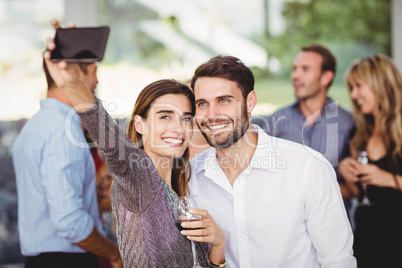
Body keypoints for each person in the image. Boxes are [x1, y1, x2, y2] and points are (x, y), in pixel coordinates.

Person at [43, 22, 226, 268]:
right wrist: (73, 84)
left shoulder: (180, 187)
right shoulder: (140, 178)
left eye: (186, 118)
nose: (178, 127)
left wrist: (218, 246)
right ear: (140, 124)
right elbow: (111, 142)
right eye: (165, 116)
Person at [188, 55, 357, 267]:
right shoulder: (190, 177)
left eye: (224, 100)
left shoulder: (307, 167)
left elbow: (338, 261)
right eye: (202, 103)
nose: (211, 115)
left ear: (250, 102)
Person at [12, 56, 123, 267]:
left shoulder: (35, 125)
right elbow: (70, 222)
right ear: (75, 74)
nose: (96, 81)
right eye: (92, 71)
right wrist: (114, 254)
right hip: (66, 260)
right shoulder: (63, 129)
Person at [252, 44, 354, 190]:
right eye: (294, 69)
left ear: (326, 77)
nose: (295, 75)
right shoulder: (276, 120)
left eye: (305, 69)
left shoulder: (347, 123)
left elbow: (356, 189)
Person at [338, 54, 402, 268]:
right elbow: (357, 192)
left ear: (380, 82)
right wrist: (345, 170)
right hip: (366, 238)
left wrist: (387, 178)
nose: (354, 95)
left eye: (358, 86)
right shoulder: (359, 132)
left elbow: (382, 181)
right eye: (351, 88)